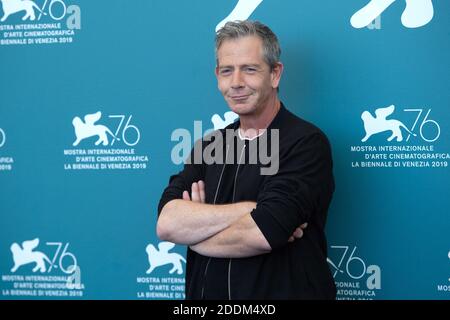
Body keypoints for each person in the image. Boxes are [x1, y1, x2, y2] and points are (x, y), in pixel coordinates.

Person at [157, 20, 336, 299]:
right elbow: (167, 223)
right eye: (227, 71)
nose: (237, 82)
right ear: (217, 76)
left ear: (275, 74)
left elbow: (263, 233)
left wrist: (195, 236)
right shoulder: (208, 146)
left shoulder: (305, 143)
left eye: (250, 69)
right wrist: (252, 210)